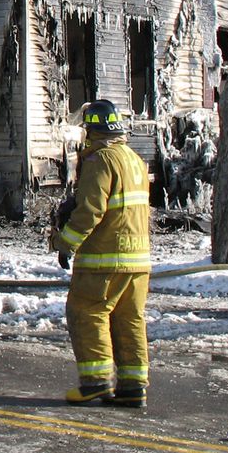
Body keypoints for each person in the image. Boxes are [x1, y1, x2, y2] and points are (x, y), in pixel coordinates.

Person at [52, 99, 152, 408]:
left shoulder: (100, 160)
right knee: (129, 320)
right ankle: (133, 387)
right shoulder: (134, 160)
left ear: (91, 132)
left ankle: (94, 383)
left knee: (87, 312)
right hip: (138, 262)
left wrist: (66, 242)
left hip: (105, 260)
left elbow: (92, 210)